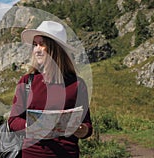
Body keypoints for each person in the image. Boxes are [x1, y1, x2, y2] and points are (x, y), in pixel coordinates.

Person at [8, 21, 93, 158]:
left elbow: (87, 126)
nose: (37, 49)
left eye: (42, 44)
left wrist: (80, 129)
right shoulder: (27, 81)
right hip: (32, 154)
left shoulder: (77, 84)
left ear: (55, 48)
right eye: (35, 45)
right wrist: (33, 126)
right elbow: (13, 121)